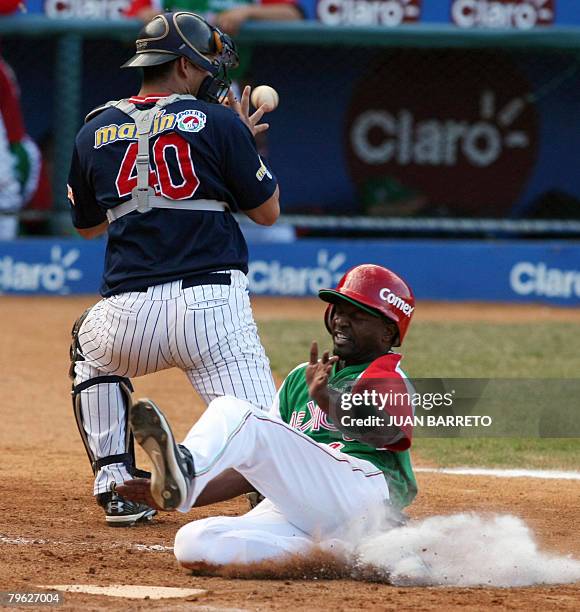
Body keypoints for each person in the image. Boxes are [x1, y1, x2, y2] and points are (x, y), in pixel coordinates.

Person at [67, 12, 280, 527]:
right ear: (184, 64)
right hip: (212, 311)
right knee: (267, 436)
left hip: (127, 317)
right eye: (205, 63)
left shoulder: (94, 127)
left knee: (88, 349)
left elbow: (89, 229)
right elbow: (267, 213)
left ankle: (117, 485)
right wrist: (241, 147)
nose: (210, 72)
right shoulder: (220, 121)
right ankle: (264, 494)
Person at [119, 264, 418, 566]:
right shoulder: (302, 377)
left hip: (362, 497)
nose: (341, 320)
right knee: (194, 542)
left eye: (357, 316)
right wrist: (184, 498)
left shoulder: (388, 376)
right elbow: (253, 469)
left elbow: (388, 433)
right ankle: (342, 554)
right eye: (339, 310)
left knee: (235, 411)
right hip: (309, 505)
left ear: (388, 332)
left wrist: (327, 399)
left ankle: (187, 467)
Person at [125, 0, 303, 36]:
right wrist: (148, 16)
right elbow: (129, 20)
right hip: (173, 79)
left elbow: (293, 15)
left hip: (230, 77)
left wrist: (248, 12)